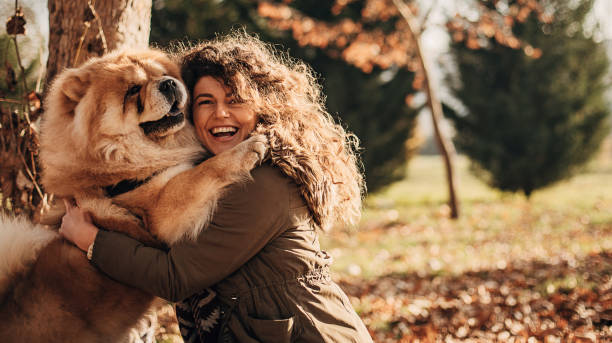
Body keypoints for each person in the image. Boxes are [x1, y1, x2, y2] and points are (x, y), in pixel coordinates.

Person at [60, 32, 372, 343]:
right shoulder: (210, 171)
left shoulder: (261, 182)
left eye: (234, 101)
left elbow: (175, 277)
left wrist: (92, 240)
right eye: (206, 102)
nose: (220, 113)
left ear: (263, 108)